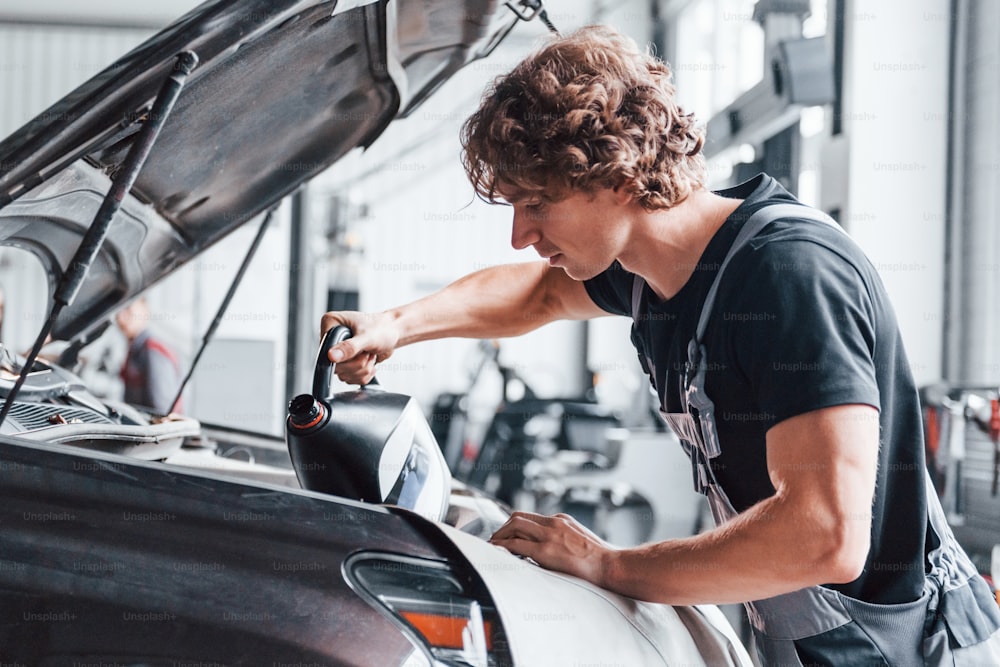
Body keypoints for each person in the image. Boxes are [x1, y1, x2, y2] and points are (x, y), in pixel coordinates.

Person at [320, 25, 1000, 665]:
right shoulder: (647, 277)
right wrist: (397, 324)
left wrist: (608, 564)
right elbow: (537, 295)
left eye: (538, 202)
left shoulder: (789, 275)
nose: (520, 234)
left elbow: (823, 535)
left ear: (618, 175)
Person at [115, 296, 182, 414]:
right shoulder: (135, 349)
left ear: (145, 310)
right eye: (117, 310)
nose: (121, 317)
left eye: (128, 308)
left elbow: (162, 410)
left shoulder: (153, 351)